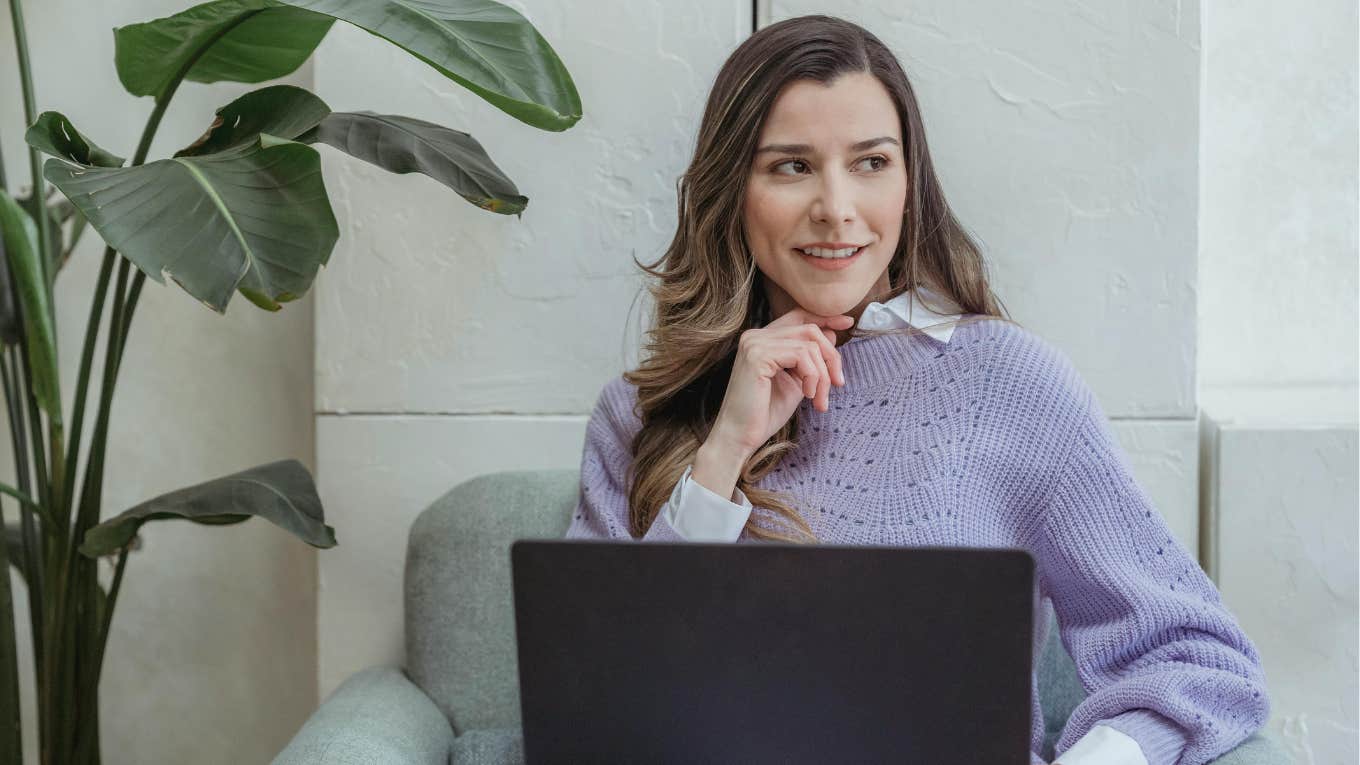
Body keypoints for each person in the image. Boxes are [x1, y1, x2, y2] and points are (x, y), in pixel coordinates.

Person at [564, 14, 1270, 765]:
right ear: (732, 190)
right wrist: (723, 452)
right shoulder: (639, 416)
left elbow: (1199, 660)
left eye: (870, 162)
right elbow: (589, 716)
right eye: (790, 166)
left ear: (910, 183)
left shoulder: (1011, 384)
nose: (836, 207)